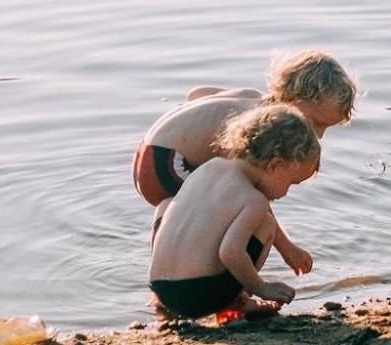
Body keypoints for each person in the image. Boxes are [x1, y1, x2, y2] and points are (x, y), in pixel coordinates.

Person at [133, 50, 354, 273]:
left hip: (148, 154)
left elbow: (196, 94)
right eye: (317, 123)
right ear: (293, 102)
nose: (319, 135)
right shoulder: (261, 128)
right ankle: (235, 295)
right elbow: (253, 198)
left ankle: (163, 280)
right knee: (249, 214)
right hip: (167, 165)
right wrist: (289, 250)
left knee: (179, 211)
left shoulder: (251, 97)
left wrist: (197, 130)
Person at [148, 104, 321, 320]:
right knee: (267, 224)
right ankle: (238, 301)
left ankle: (163, 306)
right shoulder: (255, 200)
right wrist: (262, 287)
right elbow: (230, 252)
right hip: (196, 296)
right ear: (275, 164)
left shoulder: (210, 166)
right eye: (292, 182)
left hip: (161, 288)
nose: (286, 192)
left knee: (167, 204)